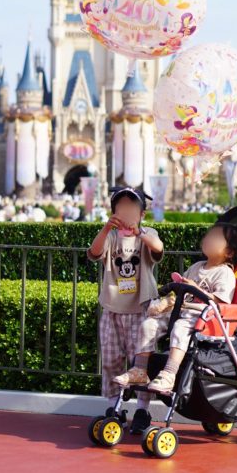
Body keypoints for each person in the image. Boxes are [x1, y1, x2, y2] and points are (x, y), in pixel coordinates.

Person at [113, 222, 237, 395]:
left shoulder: (224, 273)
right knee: (148, 324)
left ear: (229, 252)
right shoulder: (197, 267)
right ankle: (140, 370)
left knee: (180, 327)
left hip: (203, 317)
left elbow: (220, 301)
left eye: (216, 239)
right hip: (181, 310)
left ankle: (169, 373)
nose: (208, 239)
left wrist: (196, 289)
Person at [87, 186, 164, 434]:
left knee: (140, 364)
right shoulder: (110, 236)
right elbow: (95, 252)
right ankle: (115, 408)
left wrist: (139, 232)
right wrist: (107, 228)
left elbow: (158, 247)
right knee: (110, 360)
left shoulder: (147, 233)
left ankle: (142, 409)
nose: (127, 213)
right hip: (112, 308)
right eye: (121, 208)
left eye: (132, 208)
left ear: (142, 214)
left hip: (141, 309)